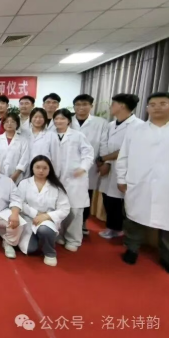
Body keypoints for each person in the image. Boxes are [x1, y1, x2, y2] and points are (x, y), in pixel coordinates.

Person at [116, 92, 169, 277]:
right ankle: (132, 249)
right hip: (139, 183)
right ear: (147, 108)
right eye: (153, 104)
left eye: (163, 103)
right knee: (134, 219)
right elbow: (124, 155)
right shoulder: (136, 130)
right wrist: (121, 178)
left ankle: (168, 258)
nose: (157, 107)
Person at [98, 94, 143, 239]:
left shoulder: (138, 126)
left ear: (122, 106)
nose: (110, 107)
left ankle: (118, 229)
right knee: (107, 198)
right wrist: (105, 162)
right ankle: (111, 227)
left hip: (125, 168)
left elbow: (127, 150)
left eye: (113, 104)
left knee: (119, 201)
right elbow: (105, 144)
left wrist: (105, 159)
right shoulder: (111, 125)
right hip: (109, 166)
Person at [52, 108, 94, 252]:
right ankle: (59, 235)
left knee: (75, 210)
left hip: (75, 178)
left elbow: (88, 154)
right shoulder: (51, 136)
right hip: (56, 178)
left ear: (69, 121)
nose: (59, 121)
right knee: (58, 208)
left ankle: (73, 239)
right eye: (56, 119)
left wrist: (83, 168)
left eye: (62, 118)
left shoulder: (78, 135)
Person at [17, 156, 71, 267]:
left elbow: (64, 208)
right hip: (28, 219)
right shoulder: (24, 183)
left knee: (45, 230)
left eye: (45, 168)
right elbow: (19, 203)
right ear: (32, 168)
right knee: (30, 250)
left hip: (47, 220)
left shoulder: (56, 186)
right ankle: (42, 239)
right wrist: (36, 214)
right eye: (37, 167)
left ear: (49, 169)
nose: (41, 171)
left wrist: (46, 216)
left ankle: (50, 253)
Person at [71, 94, 109, 236]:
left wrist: (103, 162)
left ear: (91, 106)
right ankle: (67, 223)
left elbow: (104, 143)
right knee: (67, 194)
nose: (81, 107)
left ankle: (82, 222)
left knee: (86, 194)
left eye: (85, 104)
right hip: (68, 164)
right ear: (74, 106)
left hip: (90, 165)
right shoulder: (67, 120)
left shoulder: (101, 123)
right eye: (78, 105)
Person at [0, 113, 30, 184]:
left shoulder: (23, 141)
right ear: (3, 124)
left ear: (17, 124)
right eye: (7, 122)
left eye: (12, 122)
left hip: (17, 178)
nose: (9, 124)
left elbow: (24, 160)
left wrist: (14, 177)